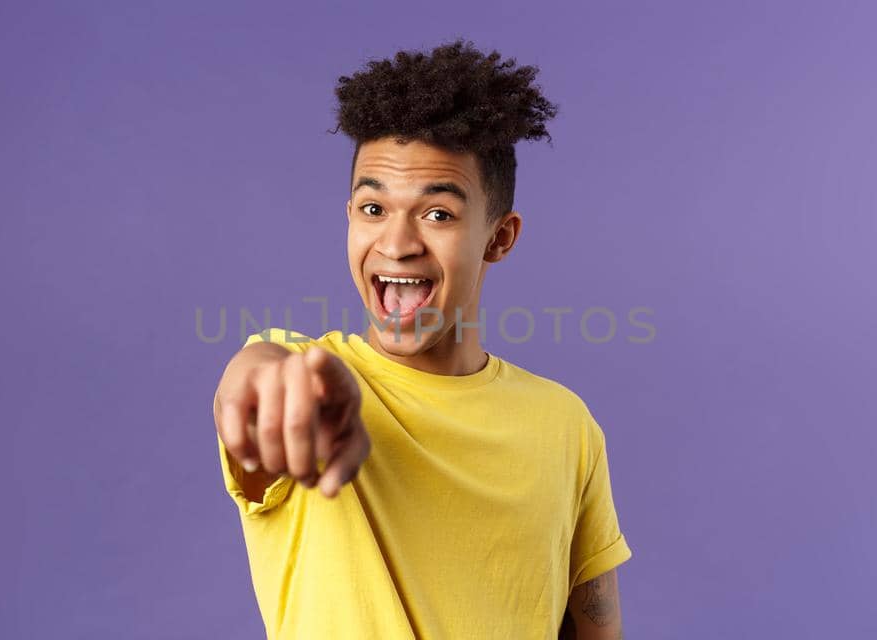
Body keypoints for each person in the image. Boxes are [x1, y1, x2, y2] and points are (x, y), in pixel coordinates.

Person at [213, 39, 630, 639]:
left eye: (438, 214)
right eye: (373, 207)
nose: (397, 242)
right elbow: (253, 386)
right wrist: (266, 377)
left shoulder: (567, 425)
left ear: (499, 237)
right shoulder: (304, 376)